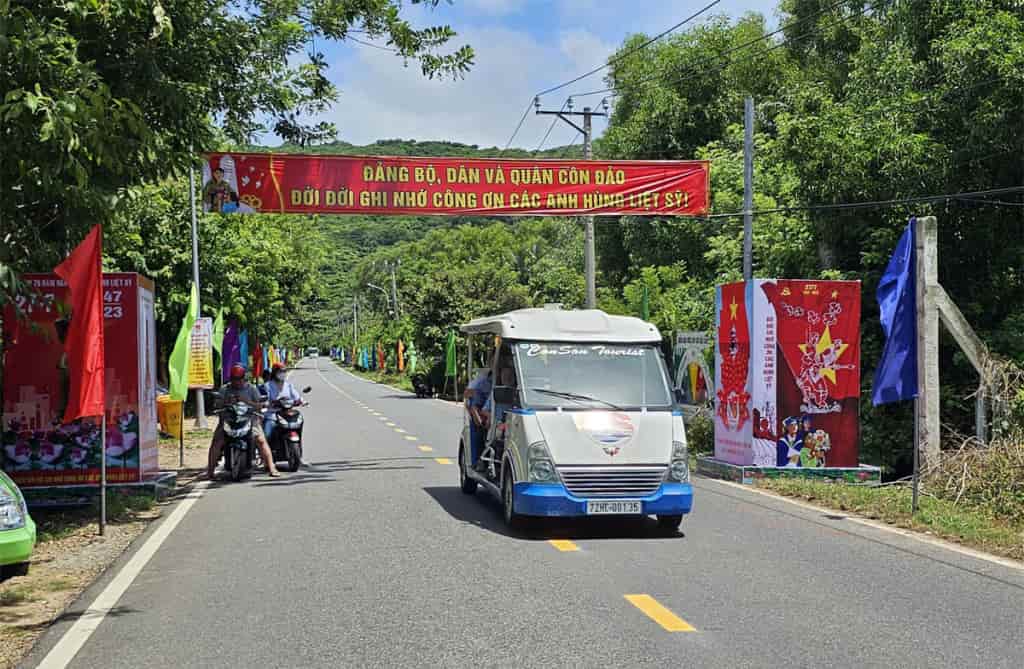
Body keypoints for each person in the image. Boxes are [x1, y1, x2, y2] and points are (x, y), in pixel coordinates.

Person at [207, 363, 280, 478]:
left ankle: (272, 467)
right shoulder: (225, 389)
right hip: (228, 420)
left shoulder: (251, 389)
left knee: (261, 440)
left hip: (249, 420)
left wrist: (247, 401)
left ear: (244, 378)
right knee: (217, 441)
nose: (237, 382)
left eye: (239, 379)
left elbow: (260, 405)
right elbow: (217, 404)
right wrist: (226, 402)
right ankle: (210, 471)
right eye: (234, 379)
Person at [263, 362, 304, 443]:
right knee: (267, 433)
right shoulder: (267, 386)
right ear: (275, 373)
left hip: (287, 414)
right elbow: (264, 399)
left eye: (284, 371)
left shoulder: (288, 385)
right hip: (273, 414)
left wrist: (300, 401)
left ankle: (298, 443)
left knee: (300, 420)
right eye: (280, 372)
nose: (283, 374)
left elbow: (296, 396)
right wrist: (268, 403)